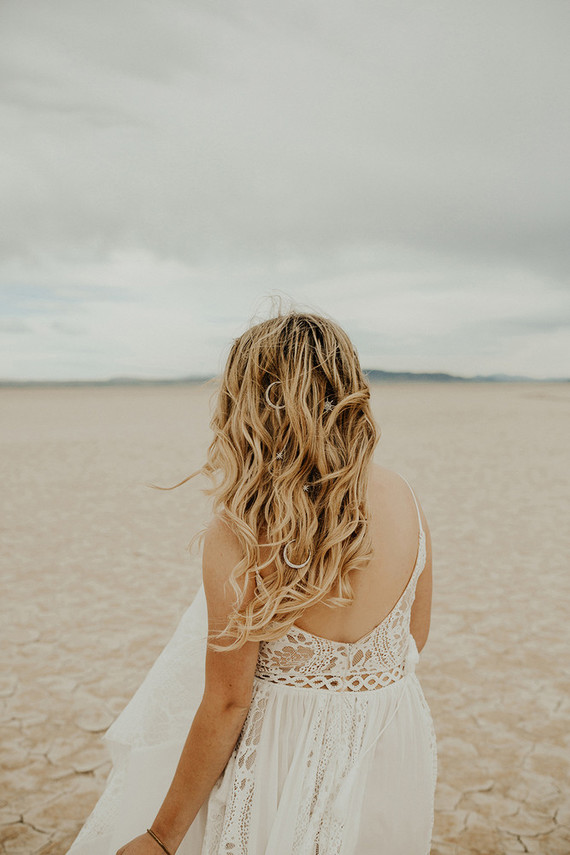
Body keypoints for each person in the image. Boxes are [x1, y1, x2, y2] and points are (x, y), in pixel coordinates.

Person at [68, 308, 437, 855]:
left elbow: (228, 700)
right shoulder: (405, 497)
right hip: (389, 744)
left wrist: (161, 838)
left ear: (248, 405)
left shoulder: (240, 531)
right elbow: (415, 639)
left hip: (282, 761)